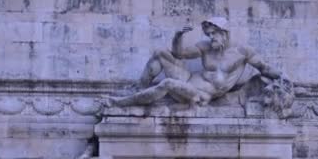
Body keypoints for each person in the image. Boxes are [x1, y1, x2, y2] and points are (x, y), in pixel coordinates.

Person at [107, 17, 284, 107]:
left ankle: (124, 102)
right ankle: (140, 87)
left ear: (224, 32)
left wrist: (283, 77)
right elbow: (179, 53)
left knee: (167, 83)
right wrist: (178, 35)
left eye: (214, 33)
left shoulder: (243, 52)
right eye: (209, 34)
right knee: (160, 52)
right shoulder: (205, 47)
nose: (210, 37)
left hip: (201, 94)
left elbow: (264, 68)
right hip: (189, 78)